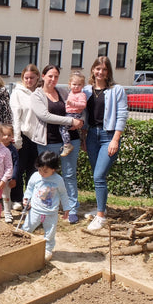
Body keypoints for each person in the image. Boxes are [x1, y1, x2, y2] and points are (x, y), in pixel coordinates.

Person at [31, 65, 83, 225]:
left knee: (69, 174)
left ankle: (72, 208)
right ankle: (45, 206)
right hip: (49, 140)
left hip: (70, 139)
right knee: (47, 175)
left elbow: (79, 106)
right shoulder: (36, 95)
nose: (53, 79)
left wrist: (81, 121)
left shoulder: (63, 92)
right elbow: (44, 115)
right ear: (44, 76)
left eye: (56, 76)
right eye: (50, 76)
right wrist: (70, 121)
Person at [83, 56, 128, 230]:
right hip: (92, 136)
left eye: (104, 69)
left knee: (99, 176)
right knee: (97, 175)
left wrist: (115, 140)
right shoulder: (87, 90)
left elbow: (122, 116)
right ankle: (101, 208)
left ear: (108, 72)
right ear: (93, 70)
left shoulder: (117, 90)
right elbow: (83, 114)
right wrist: (84, 136)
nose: (100, 72)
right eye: (97, 68)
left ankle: (101, 216)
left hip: (108, 136)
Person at [21, 151, 70, 262]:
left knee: (50, 233)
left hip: (51, 213)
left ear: (53, 169)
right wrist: (26, 198)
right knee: (26, 228)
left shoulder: (58, 180)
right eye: (39, 169)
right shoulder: (35, 176)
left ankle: (47, 250)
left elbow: (63, 193)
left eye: (45, 171)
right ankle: (22, 244)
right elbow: (29, 188)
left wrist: (67, 208)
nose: (42, 173)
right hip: (35, 210)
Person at [9, 64, 41, 211]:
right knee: (19, 169)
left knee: (33, 170)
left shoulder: (41, 92)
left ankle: (30, 199)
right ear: (22, 78)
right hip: (23, 135)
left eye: (32, 78)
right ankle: (16, 199)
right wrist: (17, 138)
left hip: (38, 137)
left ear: (37, 78)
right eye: (26, 78)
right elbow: (15, 117)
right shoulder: (17, 93)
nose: (29, 80)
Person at [59, 71, 87, 157]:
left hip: (74, 114)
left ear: (82, 86)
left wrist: (72, 104)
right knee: (63, 128)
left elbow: (83, 105)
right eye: (74, 84)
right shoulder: (70, 93)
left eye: (79, 85)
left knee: (63, 128)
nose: (76, 87)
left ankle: (67, 145)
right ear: (70, 84)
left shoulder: (81, 94)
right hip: (69, 114)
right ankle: (67, 143)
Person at [1, 124, 19, 224]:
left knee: (6, 196)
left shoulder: (13, 150)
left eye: (9, 135)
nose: (6, 137)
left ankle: (7, 213)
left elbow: (16, 164)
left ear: (12, 136)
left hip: (7, 178)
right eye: (4, 135)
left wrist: (13, 178)